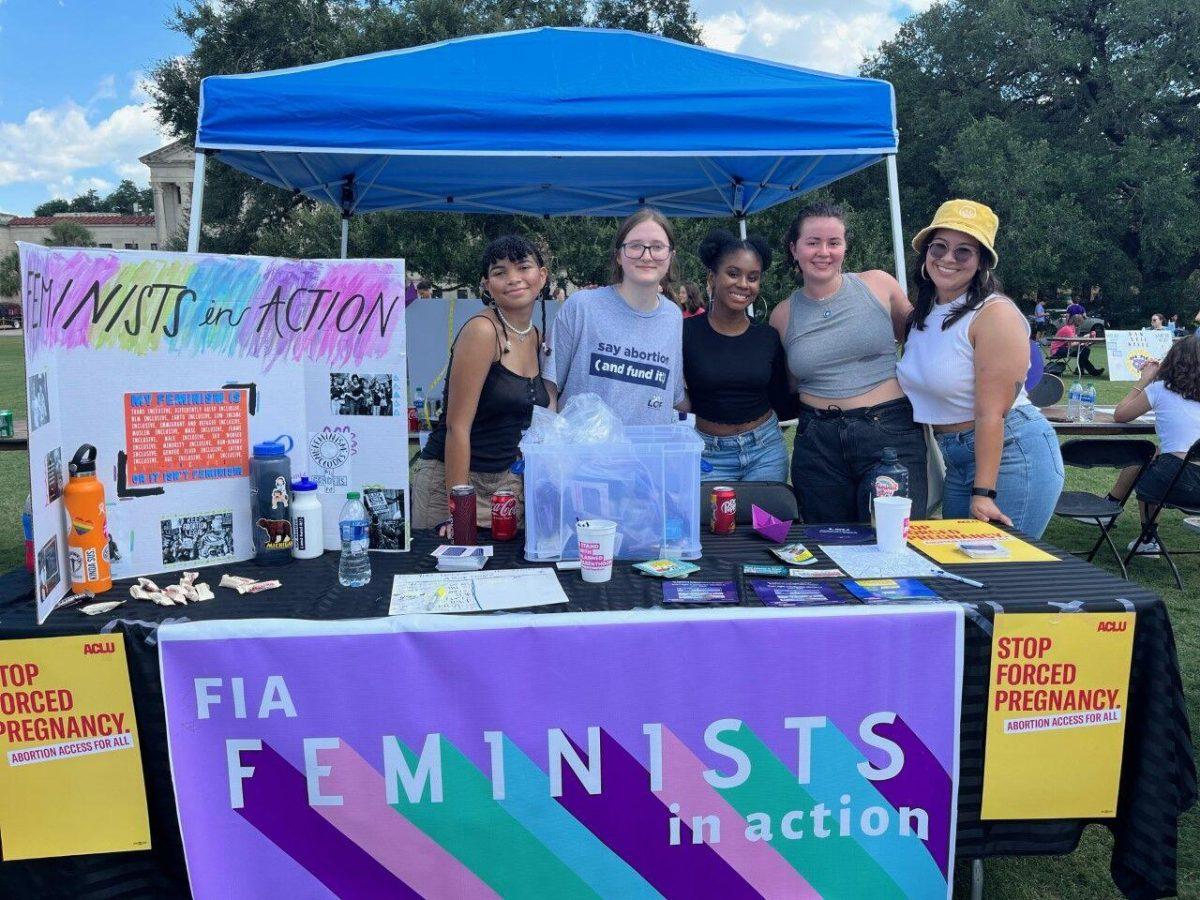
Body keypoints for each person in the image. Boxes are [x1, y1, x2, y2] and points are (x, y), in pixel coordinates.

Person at [897, 199, 1064, 538]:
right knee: (963, 569)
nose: (947, 258)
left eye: (963, 252)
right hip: (958, 460)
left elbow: (992, 415)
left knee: (1002, 574)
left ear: (982, 263)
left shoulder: (994, 314)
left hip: (1011, 454)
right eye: (939, 247)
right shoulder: (924, 315)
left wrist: (984, 493)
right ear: (926, 254)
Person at [770, 201, 927, 523]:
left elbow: (921, 338)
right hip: (817, 441)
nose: (823, 252)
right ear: (794, 249)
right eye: (812, 242)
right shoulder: (782, 315)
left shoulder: (878, 285)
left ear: (845, 247)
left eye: (834, 242)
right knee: (825, 543)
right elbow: (788, 383)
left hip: (889, 434)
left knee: (890, 540)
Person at [412, 234, 551, 534]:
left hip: (505, 486)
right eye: (499, 272)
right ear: (487, 285)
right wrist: (458, 509)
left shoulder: (536, 335)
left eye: (523, 267)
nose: (513, 279)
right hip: (453, 482)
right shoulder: (482, 331)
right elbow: (457, 427)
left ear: (542, 276)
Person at [546, 208, 685, 424]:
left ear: (670, 256)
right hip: (583, 454)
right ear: (618, 255)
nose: (646, 256)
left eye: (657, 247)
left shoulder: (673, 317)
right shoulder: (581, 306)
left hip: (647, 455)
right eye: (635, 246)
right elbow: (549, 390)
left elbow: (672, 396)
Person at [683, 229, 796, 481]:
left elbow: (783, 400)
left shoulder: (767, 336)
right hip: (707, 456)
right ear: (711, 277)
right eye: (733, 274)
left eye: (753, 277)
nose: (743, 284)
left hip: (764, 451)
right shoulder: (685, 333)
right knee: (711, 521)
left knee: (764, 521)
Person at [1109, 337, 1200, 554]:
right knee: (1157, 455)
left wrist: (1144, 381)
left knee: (1149, 460)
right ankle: (1113, 505)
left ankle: (1147, 537)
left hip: (1179, 481)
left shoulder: (1160, 389)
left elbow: (1120, 415)